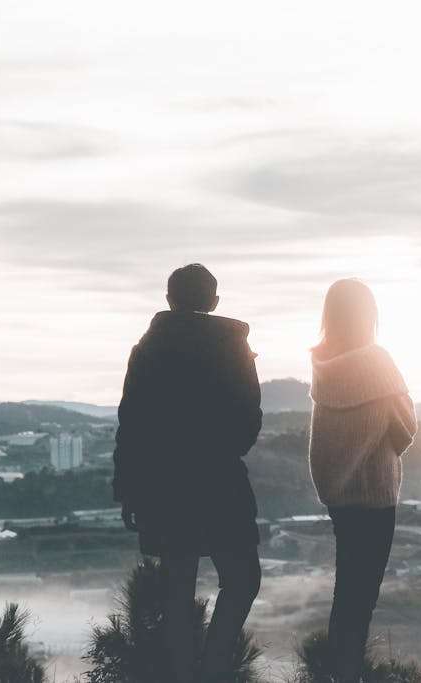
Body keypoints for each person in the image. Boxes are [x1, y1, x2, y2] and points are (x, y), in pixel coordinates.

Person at [112, 263, 263, 683]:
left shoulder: (147, 350)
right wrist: (219, 453)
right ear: (214, 302)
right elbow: (249, 420)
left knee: (177, 589)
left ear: (169, 300)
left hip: (163, 489)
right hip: (221, 484)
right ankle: (214, 667)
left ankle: (182, 673)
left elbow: (132, 426)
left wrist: (128, 490)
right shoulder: (234, 349)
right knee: (243, 578)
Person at [308, 278, 418, 683]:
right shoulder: (377, 361)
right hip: (374, 495)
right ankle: (347, 674)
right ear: (368, 314)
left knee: (346, 591)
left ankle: (337, 672)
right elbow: (406, 426)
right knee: (362, 597)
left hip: (338, 496)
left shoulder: (322, 364)